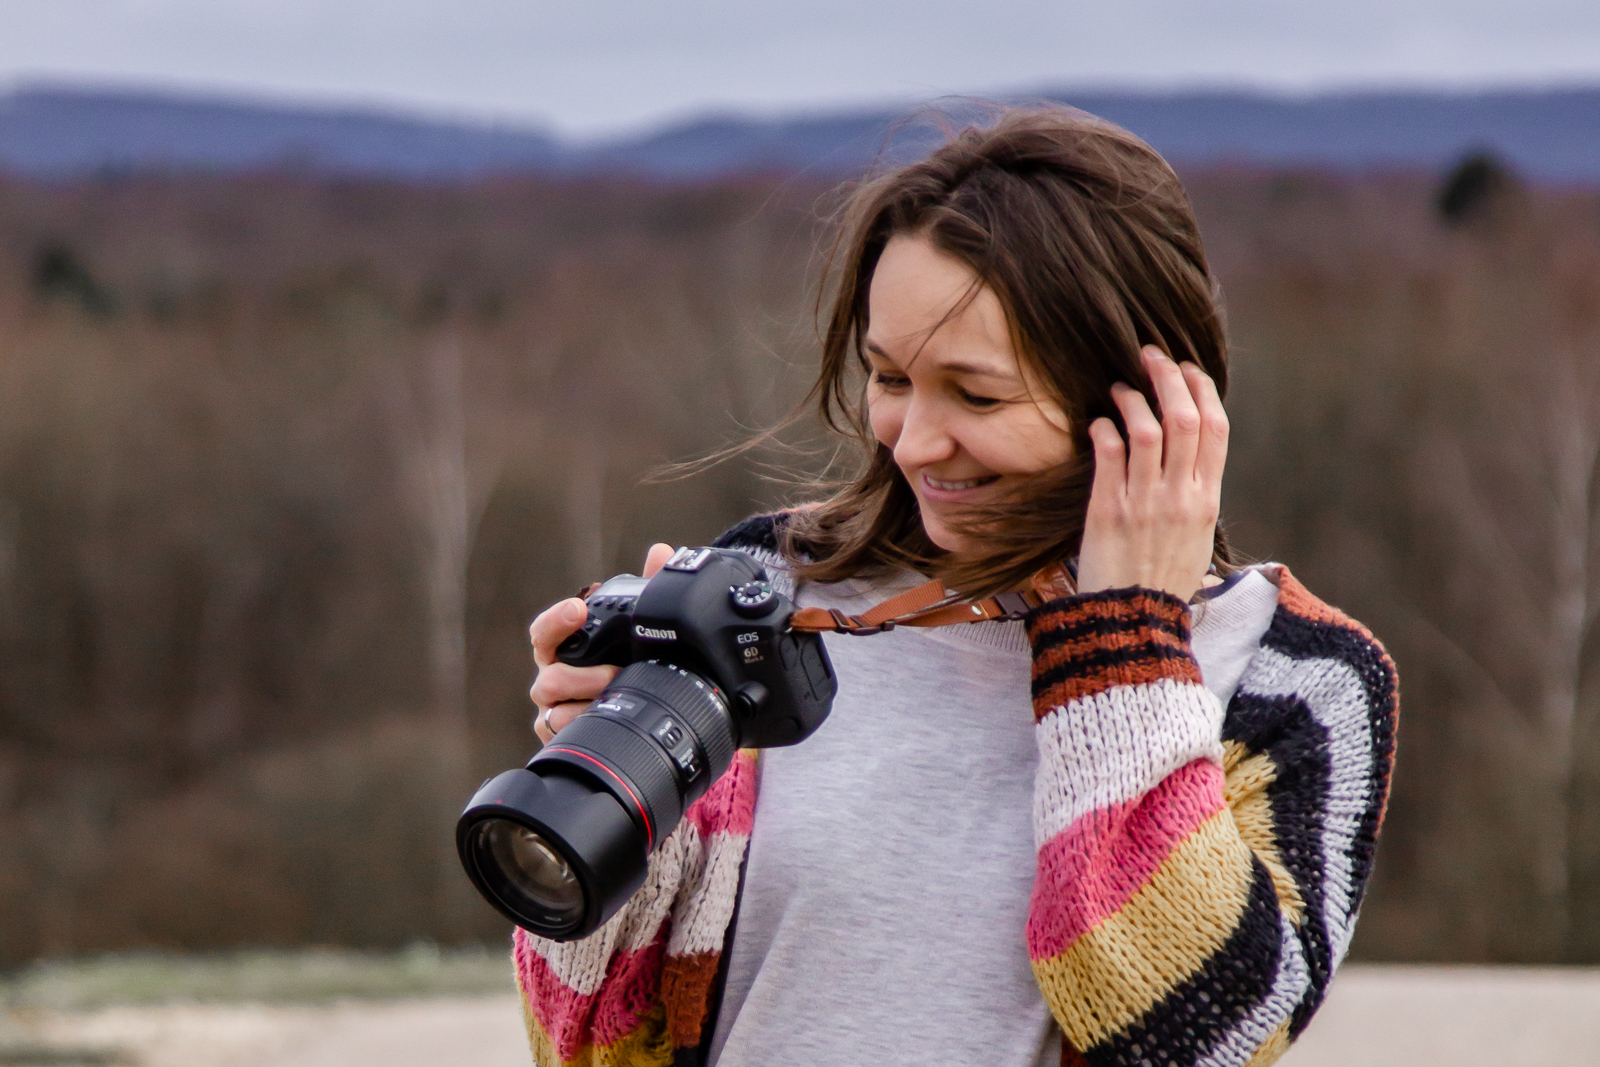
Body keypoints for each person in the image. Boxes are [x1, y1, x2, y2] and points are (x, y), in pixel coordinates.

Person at [516, 106, 1398, 1067]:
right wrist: (615, 792)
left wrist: (1123, 641)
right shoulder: (768, 598)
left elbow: (1190, 1043)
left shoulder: (1302, 684)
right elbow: (588, 1040)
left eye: (976, 395)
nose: (912, 440)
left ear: (1142, 401)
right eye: (888, 376)